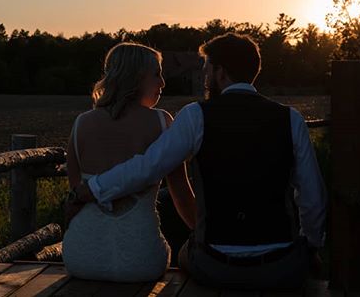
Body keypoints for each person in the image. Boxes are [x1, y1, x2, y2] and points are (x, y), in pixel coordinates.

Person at [67, 33, 327, 290]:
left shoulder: (196, 116)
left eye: (207, 70)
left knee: (184, 252)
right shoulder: (291, 119)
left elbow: (147, 167)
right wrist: (312, 246)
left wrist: (95, 187)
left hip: (216, 266)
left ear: (221, 73)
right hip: (280, 266)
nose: (204, 77)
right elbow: (313, 196)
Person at [62, 42, 196, 282]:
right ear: (136, 77)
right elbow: (181, 195)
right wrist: (206, 235)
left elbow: (76, 199)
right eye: (157, 74)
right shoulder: (162, 122)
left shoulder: (81, 124)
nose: (163, 83)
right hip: (140, 261)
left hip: (80, 258)